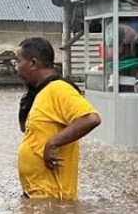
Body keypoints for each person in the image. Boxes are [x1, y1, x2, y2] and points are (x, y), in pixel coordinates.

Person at [15, 37, 101, 200]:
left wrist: (52, 143)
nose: (15, 68)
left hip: (53, 197)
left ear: (33, 63)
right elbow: (25, 129)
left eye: (18, 62)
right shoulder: (42, 93)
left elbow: (91, 119)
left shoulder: (59, 89)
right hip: (39, 196)